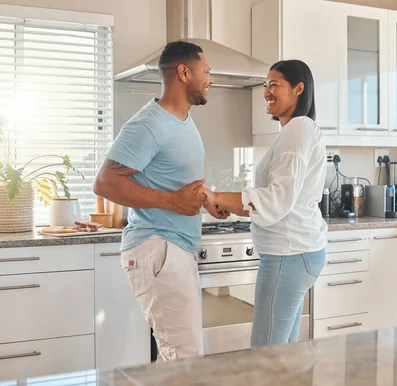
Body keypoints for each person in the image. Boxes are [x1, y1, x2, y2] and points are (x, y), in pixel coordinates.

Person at [93, 41, 218, 361]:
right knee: (183, 357)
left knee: (181, 356)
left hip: (175, 248)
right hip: (158, 246)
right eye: (206, 72)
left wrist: (204, 199)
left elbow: (174, 183)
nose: (211, 79)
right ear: (184, 72)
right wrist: (174, 202)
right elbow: (105, 182)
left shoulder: (182, 121)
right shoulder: (149, 123)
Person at [201, 59, 327, 347]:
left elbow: (276, 199)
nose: (267, 92)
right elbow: (278, 194)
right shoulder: (296, 131)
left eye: (275, 84)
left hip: (290, 253)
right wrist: (229, 203)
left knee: (266, 352)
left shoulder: (297, 130)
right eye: (265, 85)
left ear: (298, 89)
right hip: (295, 251)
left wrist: (218, 196)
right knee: (281, 351)